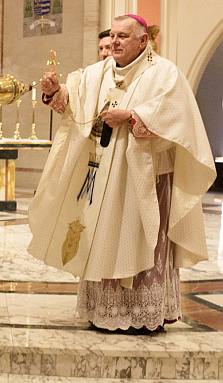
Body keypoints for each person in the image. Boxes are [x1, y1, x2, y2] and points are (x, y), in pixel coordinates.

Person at [28, 14, 215, 333]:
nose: (114, 42)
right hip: (101, 173)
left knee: (138, 238)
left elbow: (178, 117)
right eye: (112, 36)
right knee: (101, 235)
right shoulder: (96, 72)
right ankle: (103, 309)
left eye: (123, 36)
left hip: (145, 177)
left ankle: (142, 314)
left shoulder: (165, 73)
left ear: (143, 41)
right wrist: (54, 91)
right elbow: (69, 104)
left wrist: (132, 116)